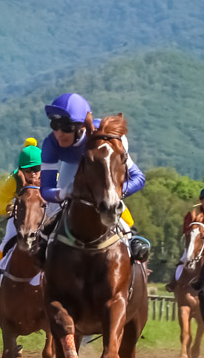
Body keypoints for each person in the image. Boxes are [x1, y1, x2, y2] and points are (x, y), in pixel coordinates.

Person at [38, 93, 148, 258]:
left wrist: (116, 194)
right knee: (52, 211)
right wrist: (64, 193)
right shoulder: (50, 144)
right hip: (70, 166)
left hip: (98, 166)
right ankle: (43, 247)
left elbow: (138, 178)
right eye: (55, 125)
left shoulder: (104, 139)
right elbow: (45, 189)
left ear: (82, 126)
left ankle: (131, 236)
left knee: (111, 200)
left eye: (66, 127)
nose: (59, 133)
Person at [0, 139, 42, 290]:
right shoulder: (12, 180)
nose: (33, 174)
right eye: (27, 170)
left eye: (36, 168)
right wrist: (8, 207)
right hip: (21, 217)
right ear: (20, 170)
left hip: (45, 215)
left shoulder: (51, 177)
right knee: (8, 240)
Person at [164, 187, 204, 291]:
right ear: (201, 201)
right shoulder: (194, 213)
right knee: (184, 258)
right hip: (196, 242)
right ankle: (174, 282)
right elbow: (186, 228)